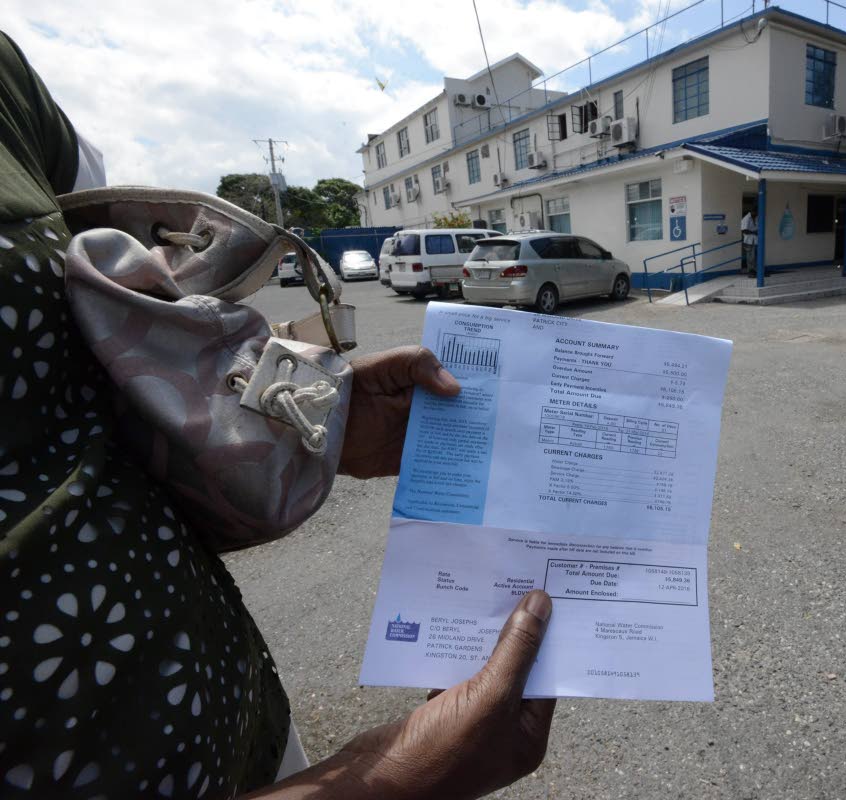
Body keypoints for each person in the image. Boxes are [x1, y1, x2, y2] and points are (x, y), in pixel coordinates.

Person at [0, 32, 553, 799]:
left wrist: (325, 416)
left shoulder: (9, 85)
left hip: (247, 723)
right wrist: (394, 786)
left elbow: (113, 367)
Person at [740, 208, 758, 275]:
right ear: (751, 211)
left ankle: (755, 269)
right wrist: (753, 232)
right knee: (750, 256)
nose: (756, 213)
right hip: (748, 240)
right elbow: (744, 230)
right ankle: (750, 270)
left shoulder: (757, 218)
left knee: (755, 256)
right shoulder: (746, 218)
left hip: (756, 240)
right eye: (755, 212)